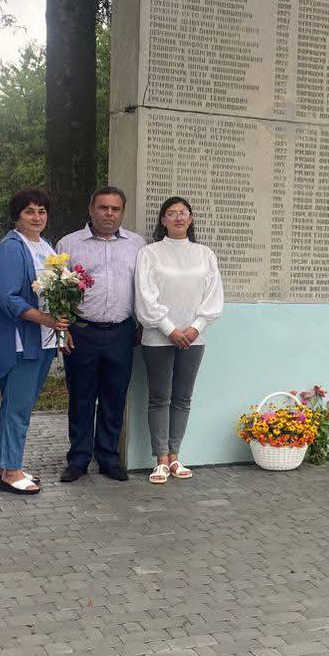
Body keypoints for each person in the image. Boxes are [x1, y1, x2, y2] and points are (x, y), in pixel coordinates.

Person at [55, 187, 147, 484]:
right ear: (91, 209)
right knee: (81, 397)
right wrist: (62, 332)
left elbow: (145, 288)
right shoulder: (69, 244)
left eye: (115, 209)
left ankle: (108, 457)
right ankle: (78, 459)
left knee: (114, 397)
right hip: (82, 331)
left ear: (122, 212)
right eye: (103, 208)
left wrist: (142, 324)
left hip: (122, 332)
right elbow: (56, 291)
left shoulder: (137, 245)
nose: (109, 214)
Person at [134, 196, 223, 483]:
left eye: (183, 212)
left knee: (183, 398)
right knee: (159, 397)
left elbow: (213, 295)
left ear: (191, 218)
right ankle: (160, 459)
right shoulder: (149, 253)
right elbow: (146, 297)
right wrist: (169, 328)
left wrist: (196, 327)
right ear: (163, 220)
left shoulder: (205, 254)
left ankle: (175, 456)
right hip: (158, 336)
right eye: (171, 213)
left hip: (194, 338)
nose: (178, 217)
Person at [0, 189, 68, 494]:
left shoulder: (46, 246)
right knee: (18, 408)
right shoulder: (12, 247)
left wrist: (60, 328)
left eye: (42, 211)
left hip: (44, 338)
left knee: (18, 405)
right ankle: (12, 471)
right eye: (29, 212)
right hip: (22, 340)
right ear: (16, 216)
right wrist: (44, 319)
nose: (37, 217)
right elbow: (8, 298)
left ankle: (2, 466)